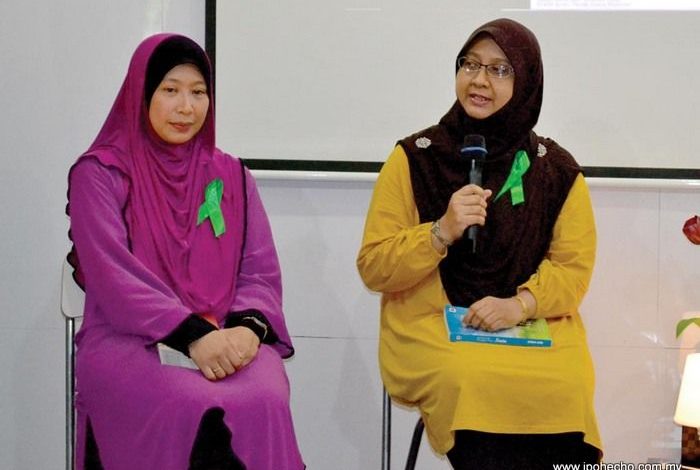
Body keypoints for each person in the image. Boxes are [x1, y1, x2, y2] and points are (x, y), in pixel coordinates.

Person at [357, 18, 602, 469]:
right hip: (434, 322)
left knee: (568, 384)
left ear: (526, 81)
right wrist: (440, 231)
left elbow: (572, 270)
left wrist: (520, 305)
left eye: (500, 69)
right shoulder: (415, 157)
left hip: (530, 322)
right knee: (469, 377)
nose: (480, 80)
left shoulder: (556, 171)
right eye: (470, 65)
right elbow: (374, 265)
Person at [66, 33, 305, 469]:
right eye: (170, 90)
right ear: (141, 94)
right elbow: (113, 277)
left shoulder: (231, 175)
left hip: (225, 333)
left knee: (266, 394)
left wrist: (247, 332)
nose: (186, 107)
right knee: (187, 400)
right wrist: (193, 336)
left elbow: (259, 272)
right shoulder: (99, 174)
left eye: (198, 92)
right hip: (129, 338)